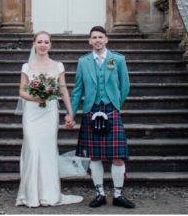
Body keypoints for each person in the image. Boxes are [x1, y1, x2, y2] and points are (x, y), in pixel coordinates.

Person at [15, 31, 84, 208]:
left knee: (47, 150)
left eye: (46, 42)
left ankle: (48, 194)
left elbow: (63, 90)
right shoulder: (26, 66)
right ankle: (30, 195)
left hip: (50, 112)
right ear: (34, 44)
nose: (43, 45)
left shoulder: (58, 66)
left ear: (50, 45)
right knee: (32, 148)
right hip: (32, 113)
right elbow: (21, 91)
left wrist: (70, 113)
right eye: (40, 42)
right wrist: (36, 98)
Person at [70, 25, 135, 209]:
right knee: (94, 156)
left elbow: (125, 86)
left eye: (100, 37)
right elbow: (77, 90)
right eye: (94, 37)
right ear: (90, 41)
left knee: (118, 157)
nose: (97, 40)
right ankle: (99, 194)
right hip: (91, 110)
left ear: (106, 39)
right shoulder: (83, 62)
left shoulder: (118, 59)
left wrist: (116, 104)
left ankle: (118, 195)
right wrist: (71, 113)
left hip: (111, 110)